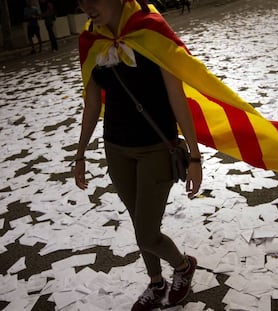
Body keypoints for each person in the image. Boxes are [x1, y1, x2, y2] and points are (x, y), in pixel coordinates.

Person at [74, 0, 202, 310]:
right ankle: (156, 283)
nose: (87, 6)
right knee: (139, 223)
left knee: (145, 233)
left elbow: (177, 97)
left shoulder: (151, 29)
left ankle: (183, 267)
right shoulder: (90, 40)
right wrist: (80, 155)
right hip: (116, 149)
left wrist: (196, 158)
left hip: (156, 148)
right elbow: (92, 103)